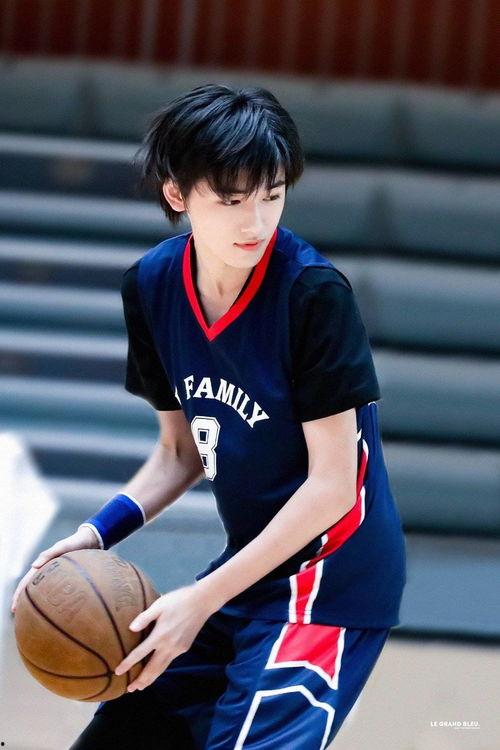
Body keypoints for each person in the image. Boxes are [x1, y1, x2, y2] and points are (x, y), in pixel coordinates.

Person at [12, 83, 406, 749]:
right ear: (177, 194)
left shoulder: (313, 295)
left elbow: (333, 487)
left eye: (272, 195)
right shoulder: (152, 286)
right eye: (231, 200)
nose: (256, 221)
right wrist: (96, 533)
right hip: (248, 569)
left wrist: (200, 599)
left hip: (330, 583)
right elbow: (180, 452)